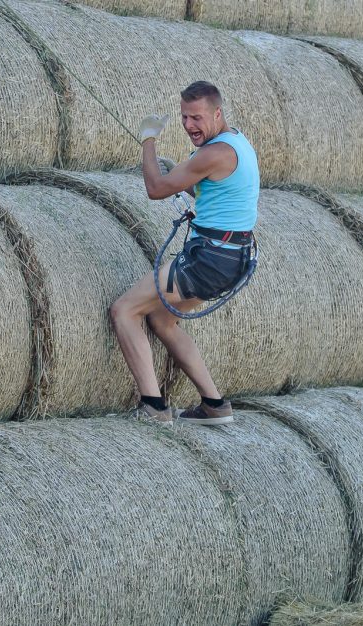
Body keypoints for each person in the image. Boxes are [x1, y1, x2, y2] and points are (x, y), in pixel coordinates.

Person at [109, 81, 260, 426]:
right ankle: (214, 404)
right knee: (162, 320)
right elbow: (204, 185)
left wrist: (148, 141)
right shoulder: (236, 142)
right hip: (232, 259)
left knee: (124, 310)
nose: (190, 125)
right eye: (184, 117)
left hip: (209, 260)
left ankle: (154, 407)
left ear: (217, 113)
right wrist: (177, 172)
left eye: (197, 117)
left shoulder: (213, 153)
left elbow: (155, 189)